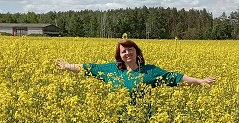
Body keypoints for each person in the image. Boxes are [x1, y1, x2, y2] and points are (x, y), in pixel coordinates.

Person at [55, 39, 215, 91]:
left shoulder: (150, 71)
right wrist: (68, 66)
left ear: (137, 52)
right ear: (120, 55)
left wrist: (200, 81)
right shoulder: (112, 69)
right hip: (115, 121)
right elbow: (90, 68)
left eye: (130, 50)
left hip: (142, 120)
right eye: (123, 51)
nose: (127, 53)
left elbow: (174, 77)